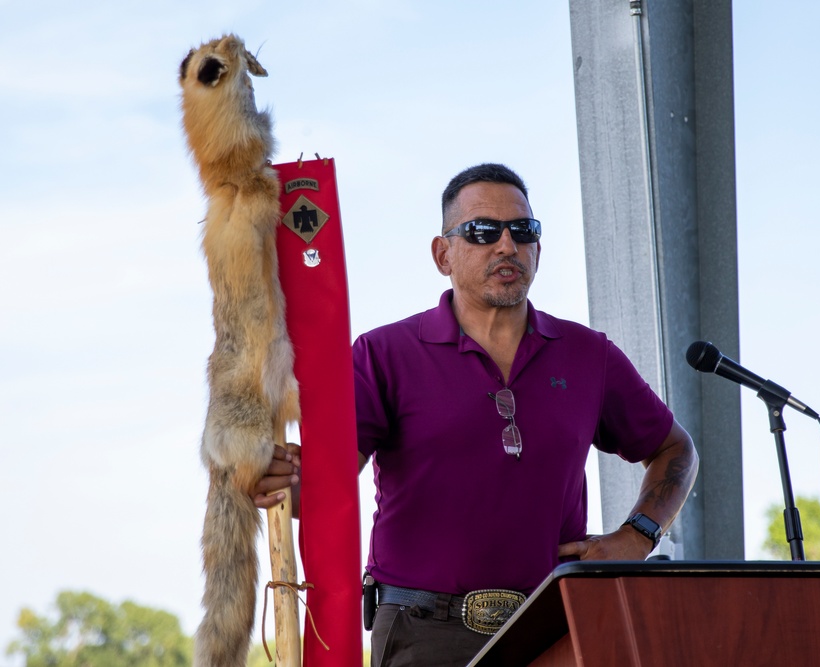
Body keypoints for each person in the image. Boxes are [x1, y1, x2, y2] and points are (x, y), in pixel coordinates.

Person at [254, 163, 699, 666]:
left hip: (555, 628)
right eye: (483, 232)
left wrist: (638, 535)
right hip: (423, 637)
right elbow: (322, 487)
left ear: (538, 249)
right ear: (443, 254)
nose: (506, 246)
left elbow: (675, 449)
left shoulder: (588, 355)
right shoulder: (384, 354)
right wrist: (281, 481)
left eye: (523, 231)